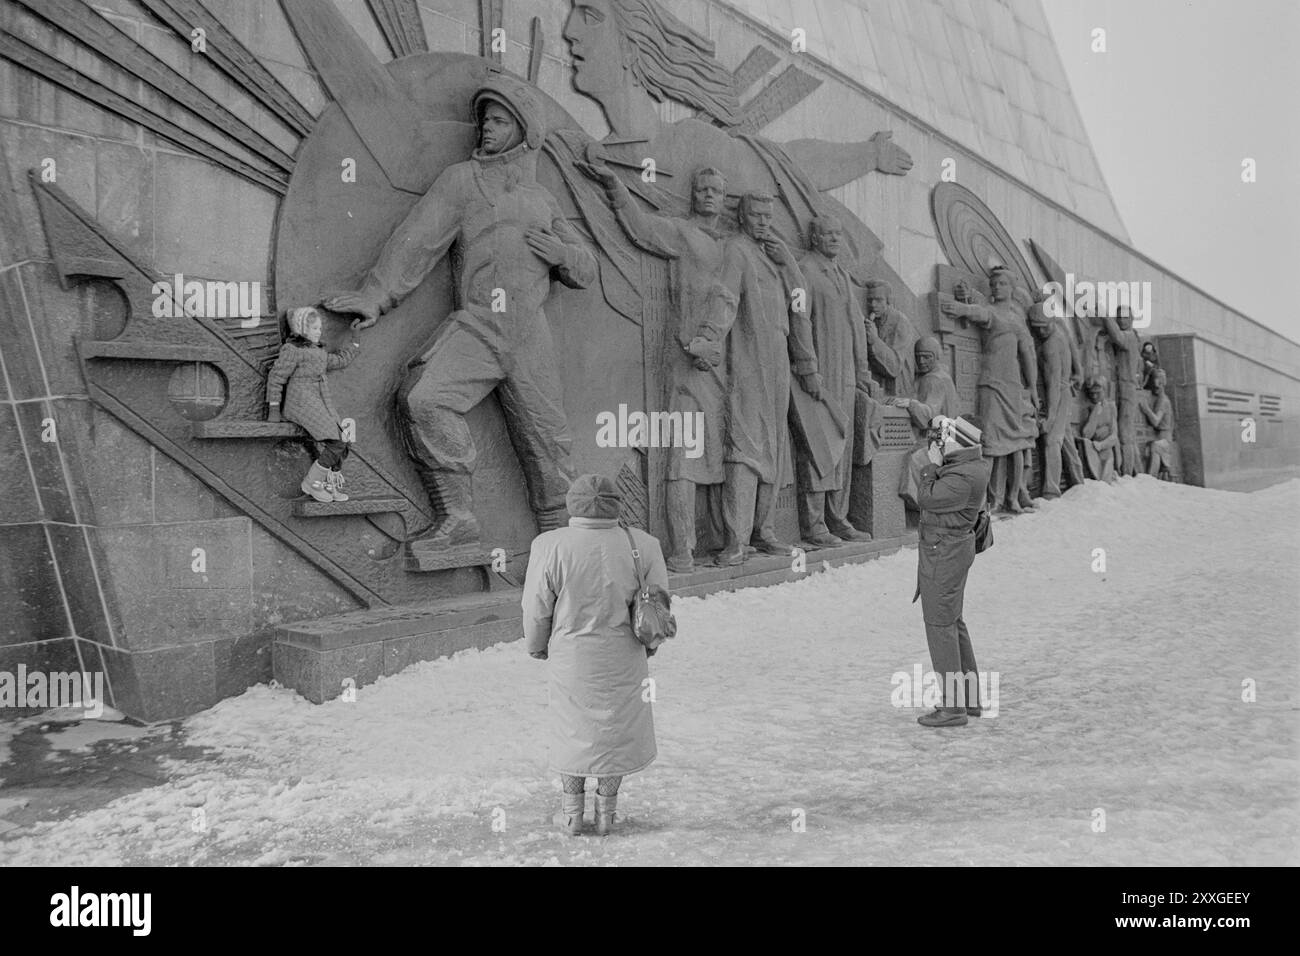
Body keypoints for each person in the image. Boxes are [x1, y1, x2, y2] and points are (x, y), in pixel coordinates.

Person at [323, 74, 596, 554]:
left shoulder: (542, 200)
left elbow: (586, 267)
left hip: (529, 334)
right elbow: (417, 242)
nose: (485, 130)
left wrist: (563, 255)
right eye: (483, 121)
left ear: (523, 129)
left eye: (497, 121)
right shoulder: (462, 181)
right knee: (423, 400)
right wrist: (376, 295)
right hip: (479, 325)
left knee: (549, 443)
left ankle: (563, 544)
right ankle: (459, 517)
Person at [577, 159, 741, 573]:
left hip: (721, 368)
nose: (708, 196)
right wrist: (615, 188)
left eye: (716, 191)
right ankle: (682, 550)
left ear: (724, 200)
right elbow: (640, 228)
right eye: (702, 189)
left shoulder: (730, 248)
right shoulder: (681, 233)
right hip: (686, 361)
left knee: (717, 457)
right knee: (683, 456)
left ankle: (720, 537)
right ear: (693, 195)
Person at [523, 474, 669, 836]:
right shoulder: (644, 544)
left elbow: (536, 606)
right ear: (616, 504)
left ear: (572, 504)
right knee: (613, 733)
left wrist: (536, 645)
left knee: (574, 731)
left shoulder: (549, 544)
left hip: (571, 656)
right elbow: (660, 602)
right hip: (624, 656)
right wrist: (650, 644)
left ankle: (572, 814)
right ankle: (607, 813)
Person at [716, 193, 818, 565]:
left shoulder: (775, 260)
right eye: (755, 215)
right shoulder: (737, 250)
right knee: (744, 445)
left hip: (777, 359)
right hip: (746, 358)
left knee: (773, 446)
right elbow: (725, 297)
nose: (763, 221)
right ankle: (736, 539)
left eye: (767, 216)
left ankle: (766, 530)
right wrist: (711, 336)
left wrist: (790, 265)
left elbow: (799, 306)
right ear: (742, 217)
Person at [912, 413, 992, 728]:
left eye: (946, 438)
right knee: (953, 624)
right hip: (948, 552)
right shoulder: (967, 466)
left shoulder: (963, 476)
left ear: (960, 442)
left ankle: (953, 708)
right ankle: (969, 701)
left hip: (943, 556)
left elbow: (927, 497)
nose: (940, 443)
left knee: (940, 627)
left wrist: (931, 465)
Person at [939, 267, 1039, 513]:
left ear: (1011, 287)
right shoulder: (991, 312)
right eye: (994, 283)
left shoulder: (1016, 320)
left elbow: (1028, 355)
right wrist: (962, 308)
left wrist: (1033, 388)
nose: (997, 287)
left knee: (1016, 444)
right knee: (992, 445)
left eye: (1002, 283)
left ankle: (1013, 498)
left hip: (1013, 387)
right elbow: (980, 313)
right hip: (991, 385)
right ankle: (991, 500)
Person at [266, 306, 359, 503]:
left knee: (344, 440)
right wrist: (274, 409)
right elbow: (276, 377)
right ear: (302, 330)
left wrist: (355, 341)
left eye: (320, 328)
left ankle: (329, 484)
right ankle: (313, 483)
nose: (319, 332)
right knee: (336, 442)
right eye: (315, 328)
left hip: (318, 401)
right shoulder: (292, 350)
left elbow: (341, 360)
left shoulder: (319, 352)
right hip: (300, 402)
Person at [1142, 368, 1176, 479]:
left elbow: (1156, 421)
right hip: (1163, 436)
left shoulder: (1163, 400)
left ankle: (1152, 477)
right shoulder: (1162, 399)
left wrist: (1146, 409)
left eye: (1156, 386)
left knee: (1154, 447)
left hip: (1164, 438)